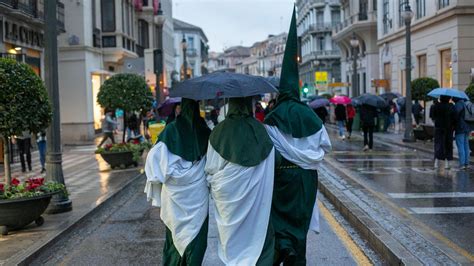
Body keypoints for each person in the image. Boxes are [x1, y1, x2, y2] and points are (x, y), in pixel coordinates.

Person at [264, 8, 331, 265]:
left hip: (280, 178)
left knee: (279, 220)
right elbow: (325, 145)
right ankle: (296, 256)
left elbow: (267, 148)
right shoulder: (311, 117)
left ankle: (282, 246)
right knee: (299, 224)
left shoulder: (273, 117)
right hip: (305, 179)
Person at [205, 97, 275, 265]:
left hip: (228, 196)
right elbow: (270, 159)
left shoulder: (219, 131)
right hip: (257, 194)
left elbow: (212, 166)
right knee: (256, 231)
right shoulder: (260, 129)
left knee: (233, 239)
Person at [145, 98, 211, 265]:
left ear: (181, 108)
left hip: (174, 196)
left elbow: (154, 161)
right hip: (198, 195)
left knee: (174, 236)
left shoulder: (171, 130)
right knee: (197, 236)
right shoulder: (204, 130)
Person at [431, 96, 455, 169]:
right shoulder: (451, 106)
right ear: (448, 99)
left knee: (438, 145)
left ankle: (436, 162)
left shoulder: (436, 106)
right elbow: (454, 117)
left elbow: (433, 117)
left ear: (440, 99)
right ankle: (448, 163)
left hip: (439, 128)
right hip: (449, 128)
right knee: (448, 145)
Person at [453, 97, 470, 169]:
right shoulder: (465, 104)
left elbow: (455, 116)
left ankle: (462, 164)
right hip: (467, 127)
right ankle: (466, 163)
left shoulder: (458, 105)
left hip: (460, 127)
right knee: (466, 146)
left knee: (461, 146)